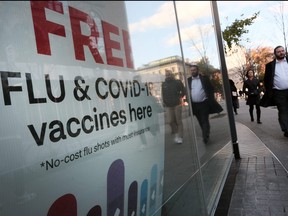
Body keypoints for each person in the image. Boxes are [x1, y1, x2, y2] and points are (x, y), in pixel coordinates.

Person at [187, 65, 223, 144]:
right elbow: (187, 91)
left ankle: (205, 136)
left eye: (194, 70)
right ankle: (205, 132)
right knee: (200, 121)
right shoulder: (188, 80)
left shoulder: (204, 78)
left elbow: (211, 88)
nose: (193, 71)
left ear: (198, 70)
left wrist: (210, 98)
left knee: (204, 120)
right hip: (194, 105)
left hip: (204, 103)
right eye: (191, 70)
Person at [260, 45, 288, 137]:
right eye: (279, 51)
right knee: (283, 110)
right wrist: (269, 91)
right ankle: (286, 129)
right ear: (275, 53)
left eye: (282, 51)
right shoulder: (270, 66)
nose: (281, 52)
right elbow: (267, 79)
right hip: (278, 92)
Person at [162, 69, 186, 144]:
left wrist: (179, 96)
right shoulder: (163, 84)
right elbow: (163, 94)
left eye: (169, 75)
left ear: (172, 75)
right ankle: (176, 133)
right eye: (166, 75)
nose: (167, 76)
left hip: (177, 104)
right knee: (170, 121)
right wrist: (164, 102)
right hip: (168, 105)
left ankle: (180, 137)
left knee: (178, 121)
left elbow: (183, 91)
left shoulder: (177, 82)